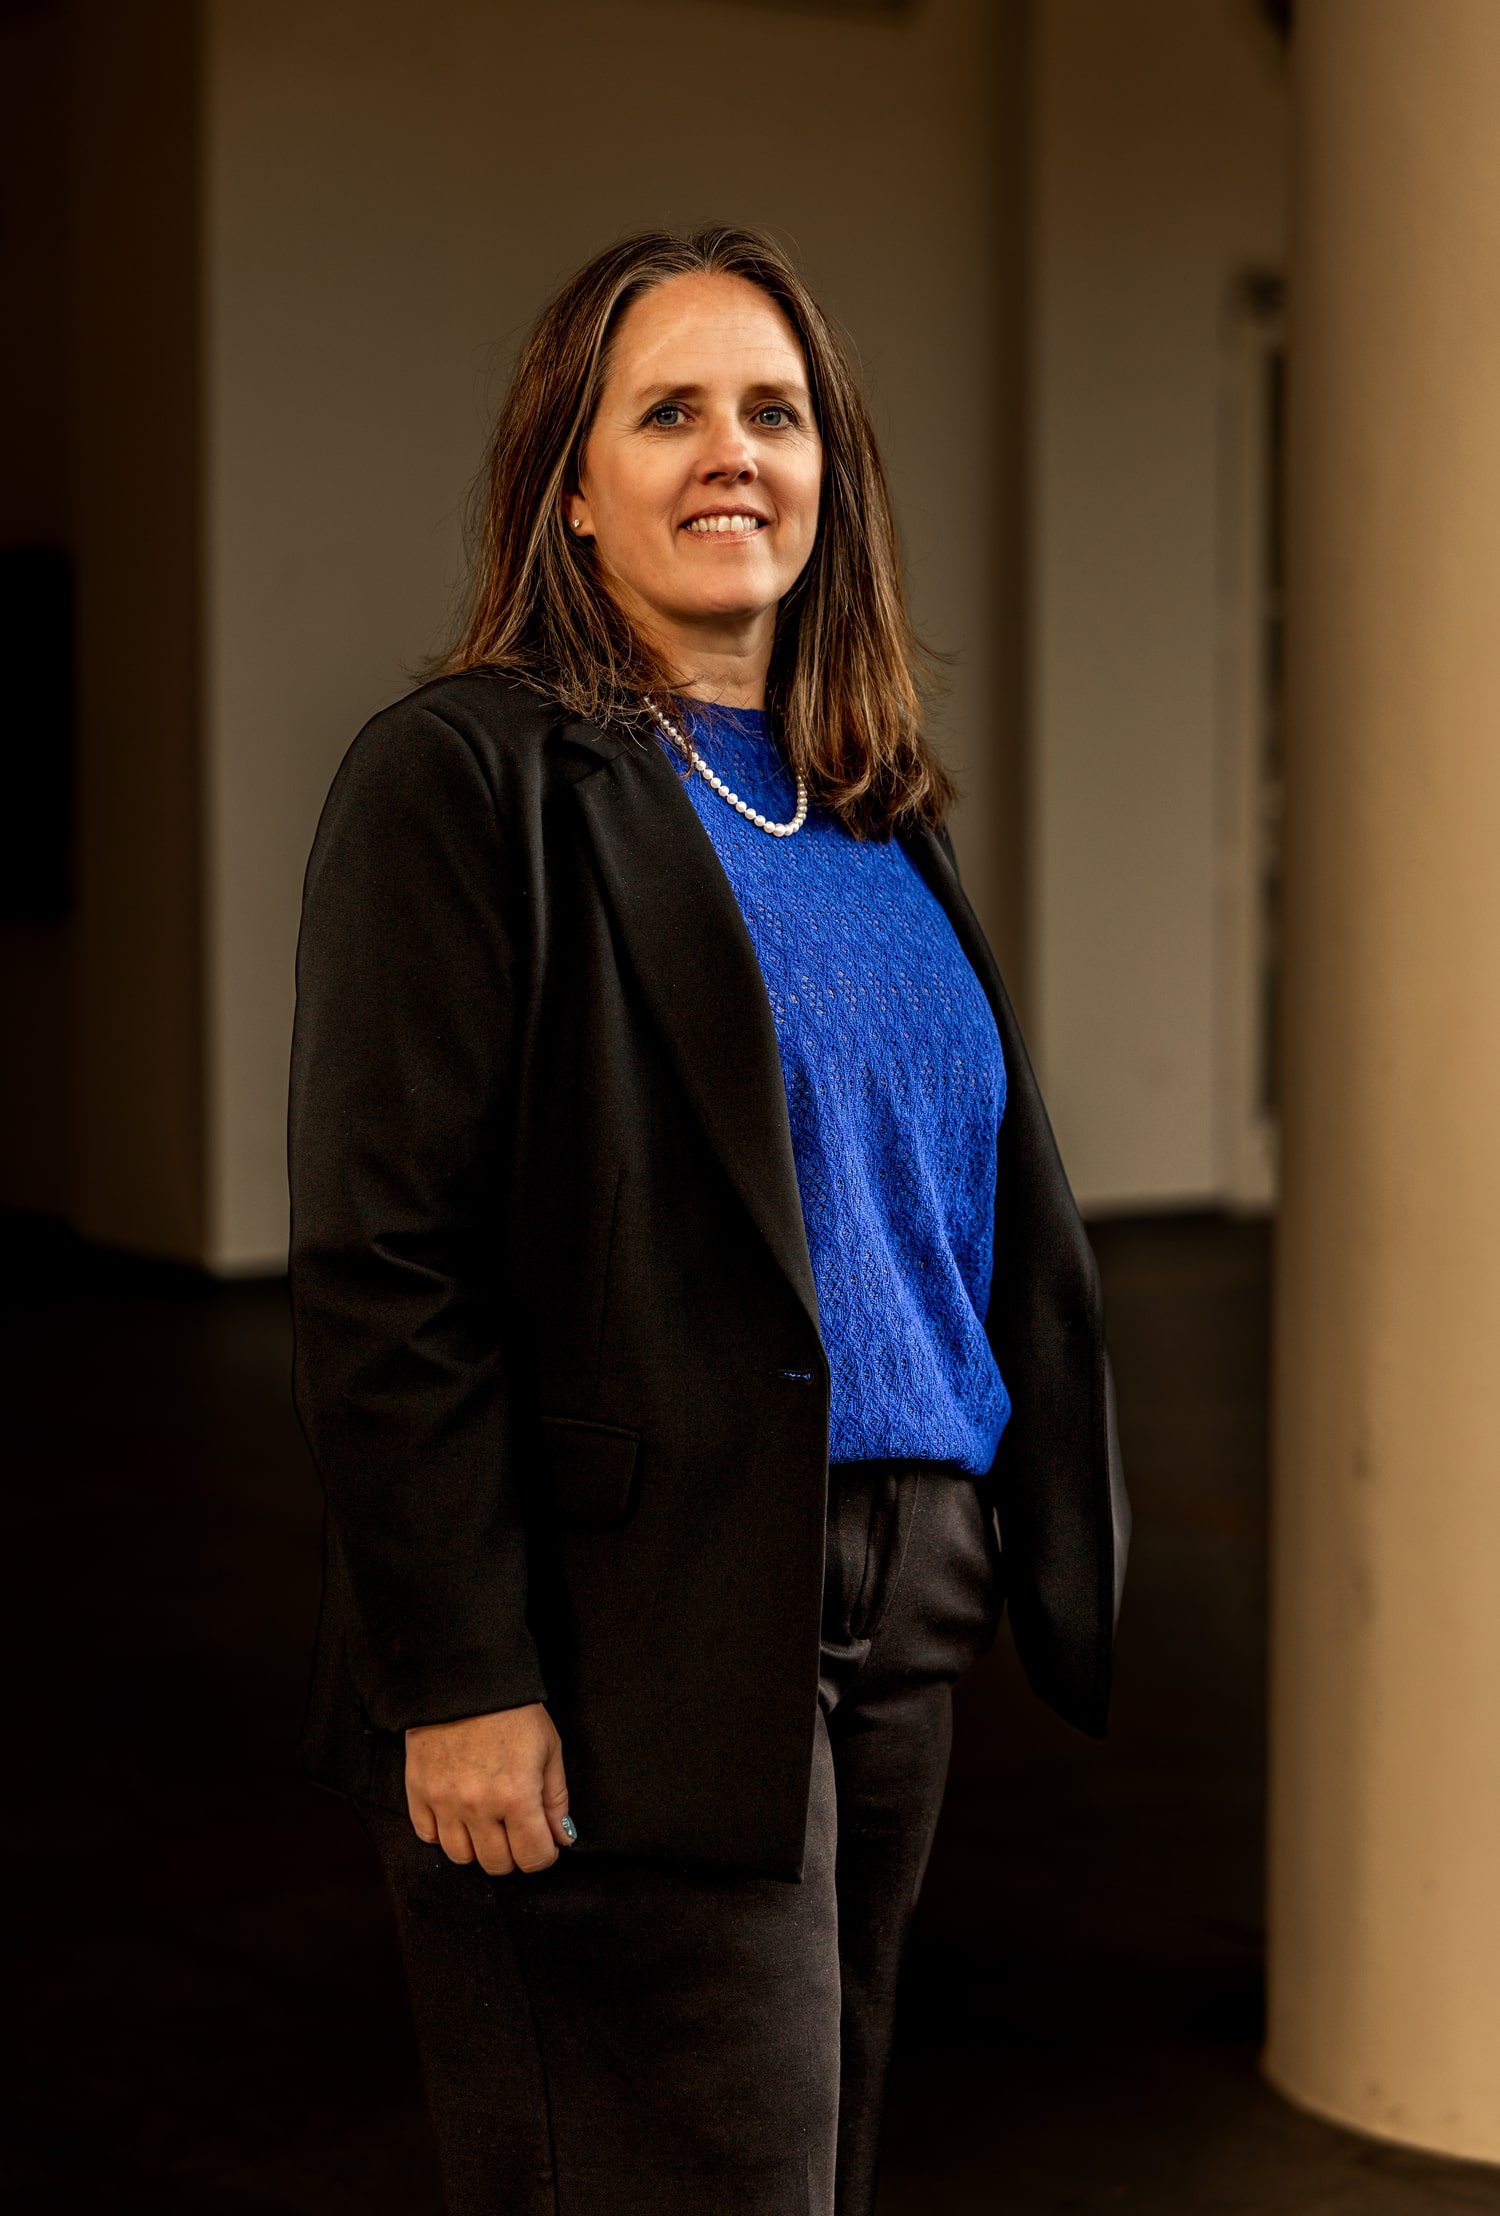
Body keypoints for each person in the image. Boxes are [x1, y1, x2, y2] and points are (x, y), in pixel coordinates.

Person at [288, 224, 1128, 2216]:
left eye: (777, 411)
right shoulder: (467, 780)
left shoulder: (869, 804)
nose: (730, 452)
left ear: (834, 472)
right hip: (623, 1615)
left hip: (896, 1589)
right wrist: (461, 1667)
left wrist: (989, 1520)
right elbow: (384, 1258)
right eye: (667, 413)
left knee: (805, 2161)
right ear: (569, 489)